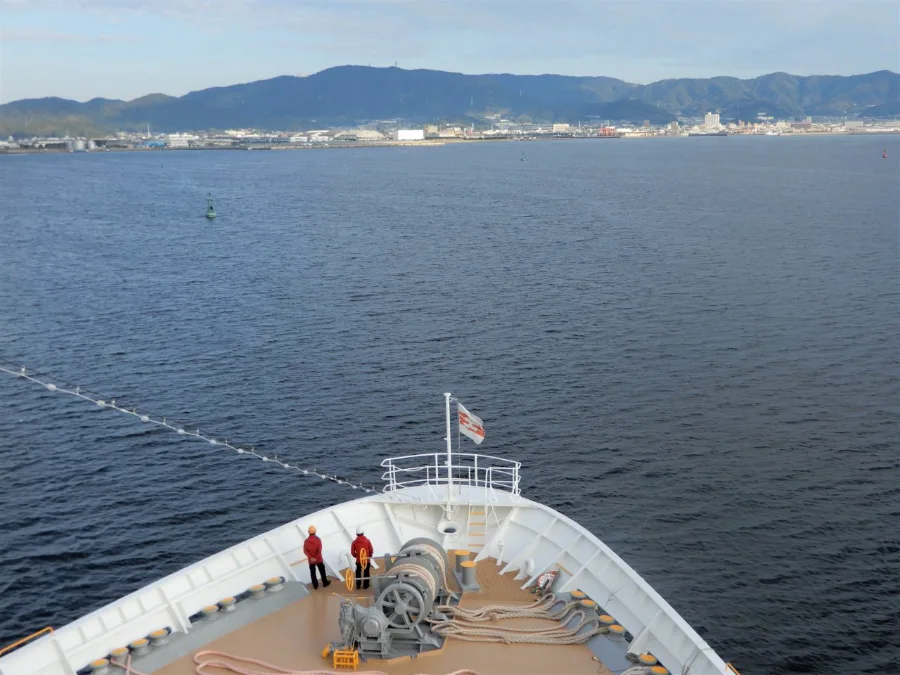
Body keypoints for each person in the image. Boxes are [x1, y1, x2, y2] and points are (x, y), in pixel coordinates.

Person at [304, 525, 330, 590]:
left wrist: (311, 557)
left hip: (311, 560)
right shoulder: (318, 540)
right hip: (318, 559)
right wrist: (316, 557)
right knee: (322, 571)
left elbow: (305, 551)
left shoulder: (306, 541)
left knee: (312, 573)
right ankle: (325, 583)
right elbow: (319, 549)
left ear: (308, 532)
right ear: (315, 531)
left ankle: (315, 586)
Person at [350, 525, 374, 590]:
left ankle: (358, 585)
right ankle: (365, 585)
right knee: (366, 572)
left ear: (356, 534)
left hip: (358, 561)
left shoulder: (354, 542)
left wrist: (357, 556)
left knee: (358, 572)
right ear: (363, 533)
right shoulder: (367, 541)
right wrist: (370, 556)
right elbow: (371, 550)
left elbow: (352, 553)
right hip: (366, 560)